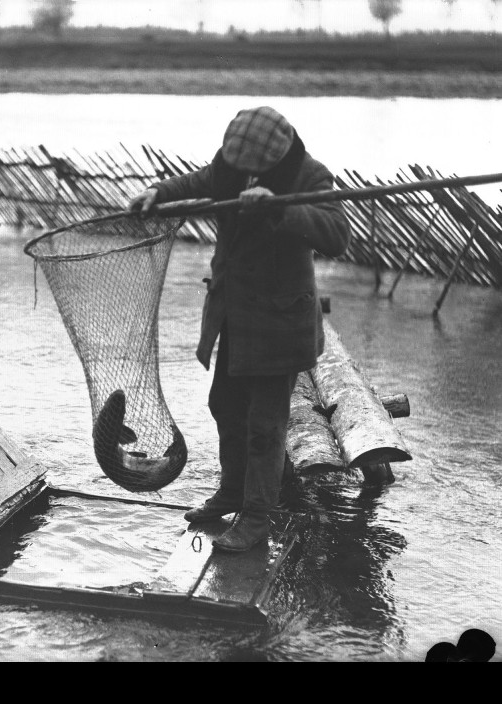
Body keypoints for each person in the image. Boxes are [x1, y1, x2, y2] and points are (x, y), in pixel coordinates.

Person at [128, 106, 351, 552]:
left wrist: (280, 208)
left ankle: (256, 519)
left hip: (280, 323)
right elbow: (195, 182)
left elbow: (336, 235)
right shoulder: (229, 167)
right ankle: (232, 492)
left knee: (265, 426)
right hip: (236, 316)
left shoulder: (309, 177)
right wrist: (156, 191)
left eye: (252, 168)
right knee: (224, 405)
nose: (241, 172)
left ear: (277, 155)